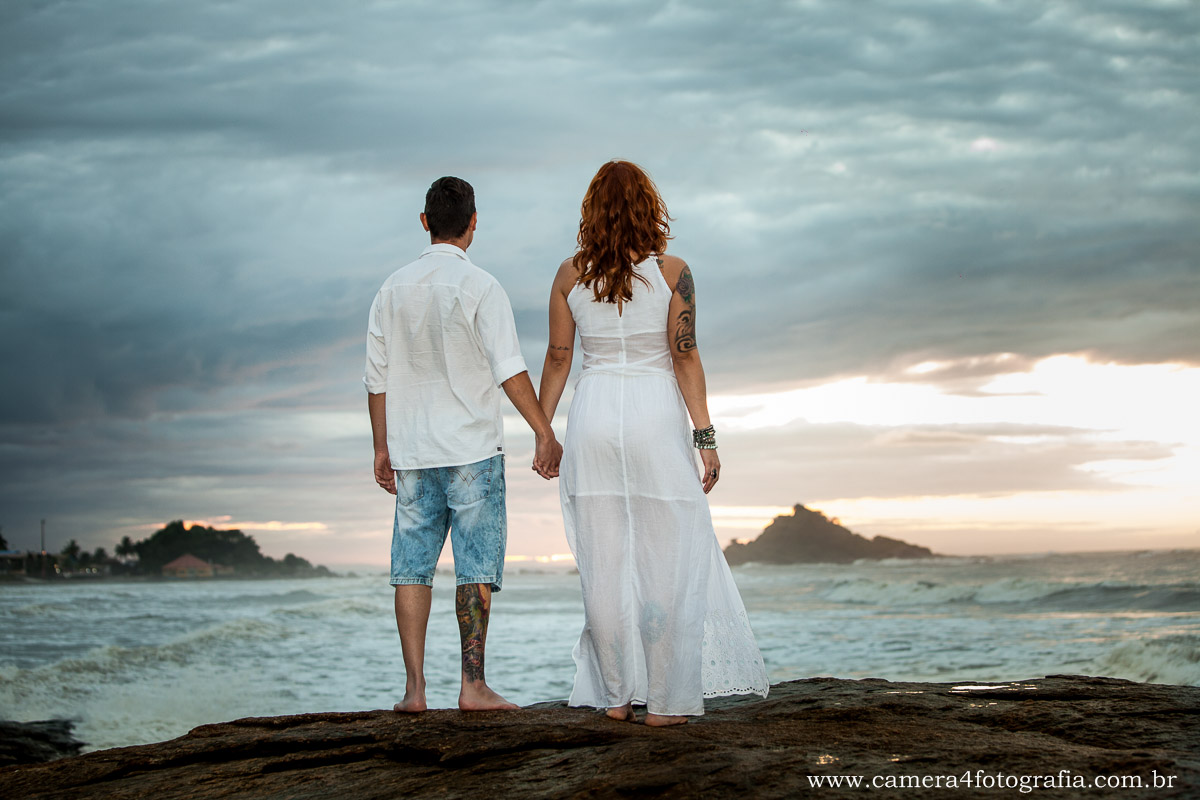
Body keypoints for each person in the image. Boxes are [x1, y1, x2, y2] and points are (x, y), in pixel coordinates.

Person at [537, 160, 769, 726]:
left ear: (592, 211)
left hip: (592, 420)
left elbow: (559, 358)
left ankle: (616, 697)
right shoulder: (673, 272)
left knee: (603, 562)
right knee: (669, 561)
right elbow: (684, 354)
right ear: (649, 207)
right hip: (654, 419)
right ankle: (664, 703)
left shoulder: (570, 276)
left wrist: (544, 432)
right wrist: (706, 437)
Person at [365, 176, 562, 713]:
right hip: (473, 449)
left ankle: (414, 691)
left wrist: (381, 448)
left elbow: (376, 379)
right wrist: (543, 431)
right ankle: (472, 687)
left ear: (425, 222)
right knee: (474, 565)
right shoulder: (482, 287)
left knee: (412, 566)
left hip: (412, 451)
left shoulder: (390, 290)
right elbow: (509, 369)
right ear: (473, 223)